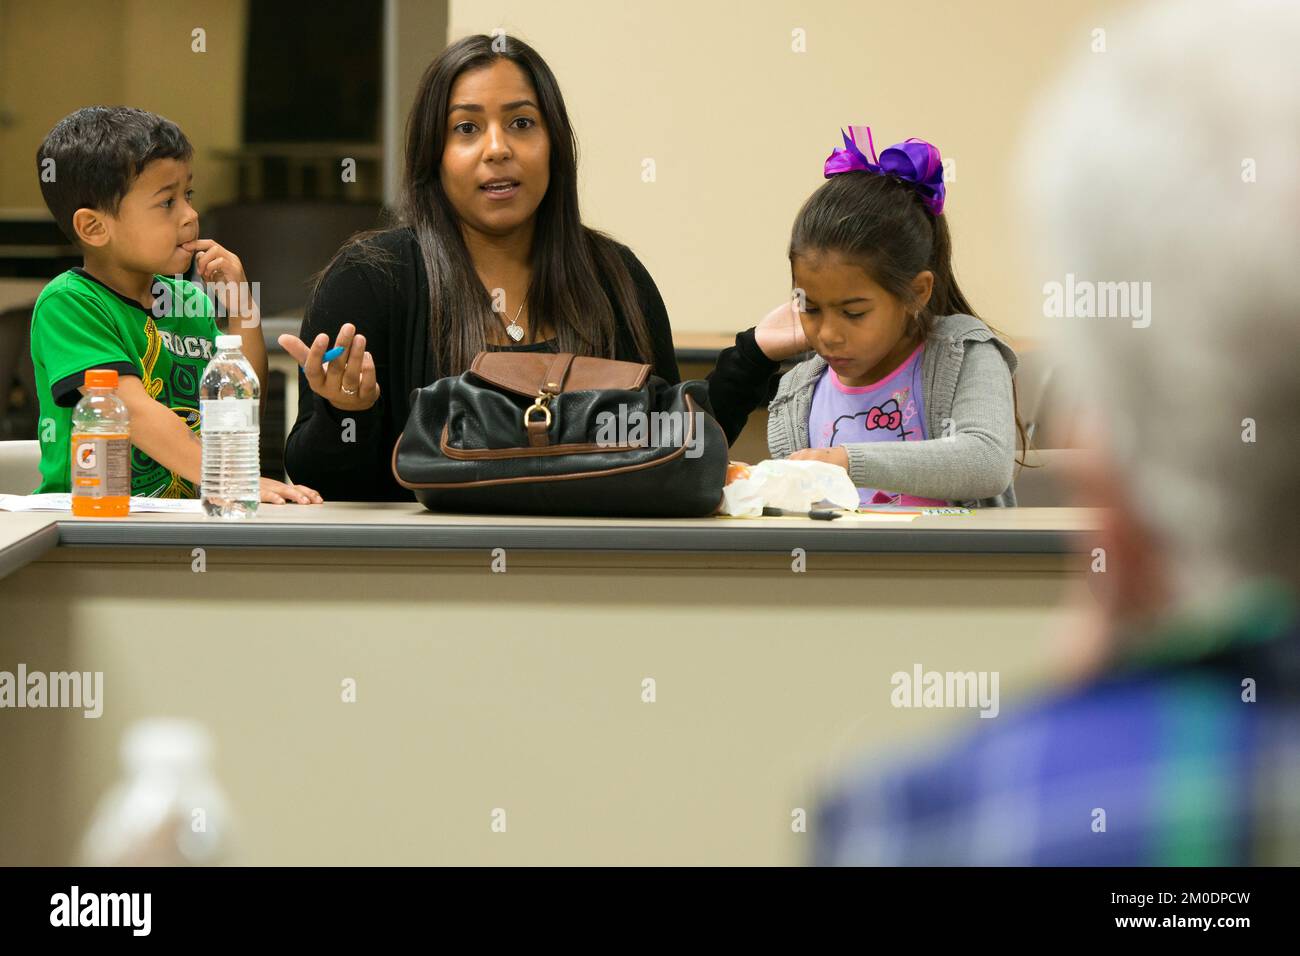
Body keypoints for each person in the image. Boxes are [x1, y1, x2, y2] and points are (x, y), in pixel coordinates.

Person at [814, 0, 1300, 865]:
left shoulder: (933, 825)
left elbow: (980, 458)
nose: (827, 329)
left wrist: (1092, 701)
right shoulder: (806, 381)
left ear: (1108, 470)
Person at [278, 34, 679, 501]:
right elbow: (319, 484)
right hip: (423, 567)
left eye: (522, 123)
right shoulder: (371, 278)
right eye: (466, 129)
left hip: (591, 564)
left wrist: (750, 358)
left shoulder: (617, 279)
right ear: (435, 154)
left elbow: (675, 449)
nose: (497, 148)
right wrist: (348, 412)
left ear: (554, 144)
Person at [707, 128, 1019, 508]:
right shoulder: (799, 391)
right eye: (810, 308)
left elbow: (985, 461)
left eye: (854, 313)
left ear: (917, 292)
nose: (828, 335)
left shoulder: (961, 353)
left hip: (950, 569)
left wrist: (847, 461)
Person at [29, 106, 319, 504]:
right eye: (167, 202)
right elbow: (129, 410)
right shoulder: (70, 303)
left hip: (183, 519)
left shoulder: (187, 299)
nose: (190, 215)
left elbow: (238, 407)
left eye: (189, 194)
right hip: (90, 524)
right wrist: (226, 477)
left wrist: (242, 307)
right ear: (94, 227)